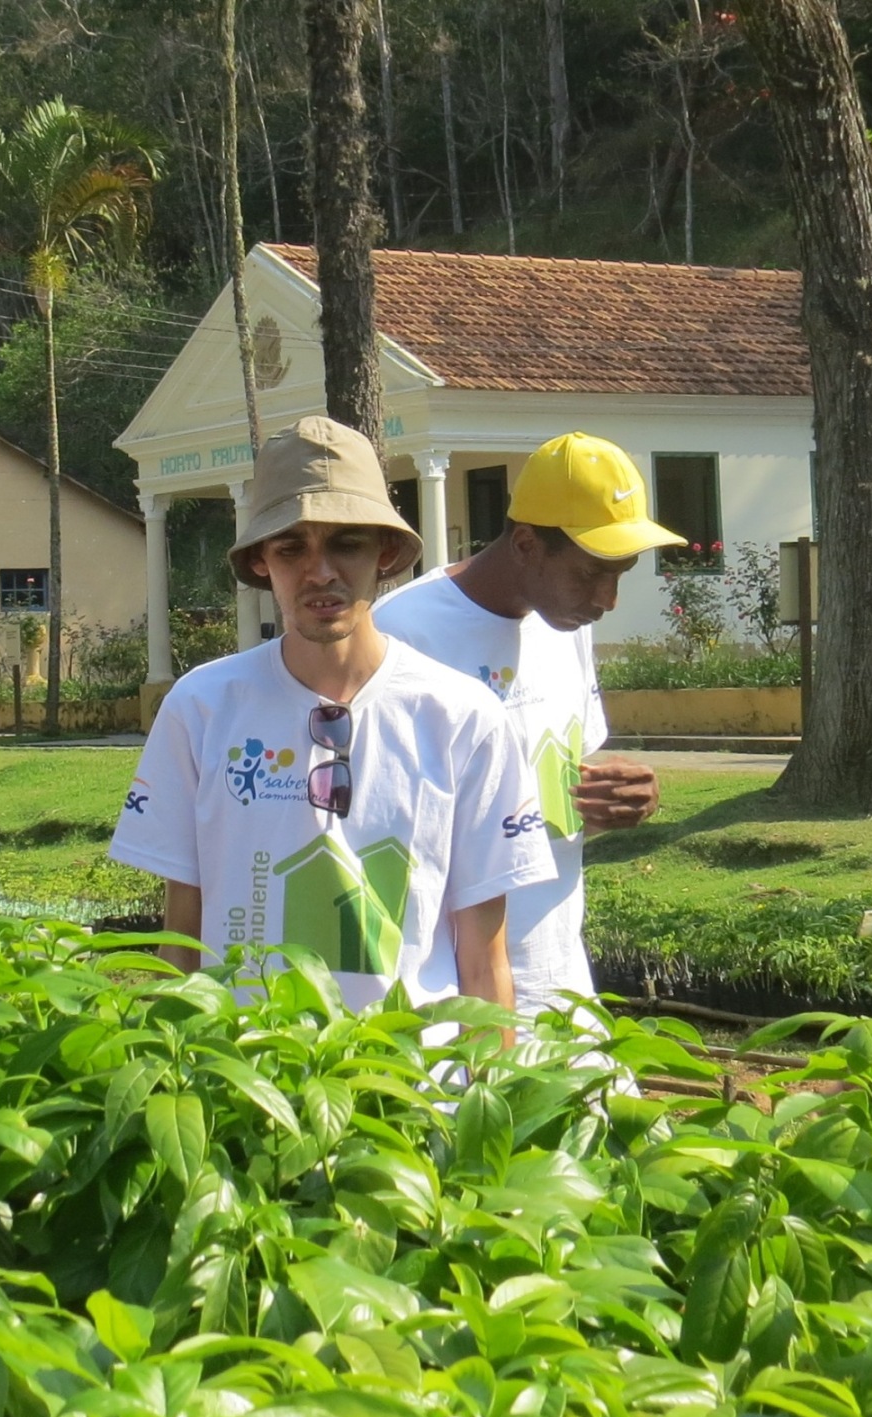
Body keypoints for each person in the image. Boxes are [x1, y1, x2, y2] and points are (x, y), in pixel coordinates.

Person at [111, 414, 553, 1010]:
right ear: (262, 561)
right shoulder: (201, 707)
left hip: (408, 1081)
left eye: (346, 542)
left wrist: (496, 1095)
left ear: (386, 551)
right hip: (246, 1075)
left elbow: (484, 961)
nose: (320, 571)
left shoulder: (462, 719)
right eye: (292, 548)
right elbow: (182, 943)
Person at [374, 432, 674, 1016]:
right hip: (446, 997)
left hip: (556, 977)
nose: (608, 599)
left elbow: (558, 786)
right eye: (592, 574)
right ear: (528, 543)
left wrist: (616, 797)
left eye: (621, 573)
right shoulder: (402, 636)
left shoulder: (566, 624)